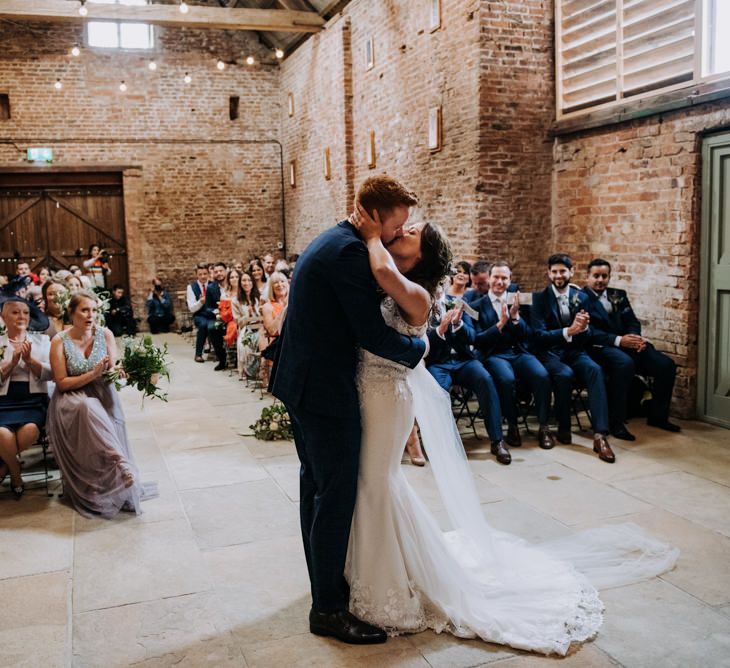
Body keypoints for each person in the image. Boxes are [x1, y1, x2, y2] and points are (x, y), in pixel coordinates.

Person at [344, 201, 679, 655]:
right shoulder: (401, 279)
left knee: (378, 481)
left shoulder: (413, 290)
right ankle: (380, 569)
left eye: (410, 233)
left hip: (388, 396)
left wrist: (367, 235)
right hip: (374, 389)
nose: (401, 232)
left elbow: (384, 277)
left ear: (420, 259)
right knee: (377, 483)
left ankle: (387, 578)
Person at [270, 175, 428, 645]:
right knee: (335, 495)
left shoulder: (333, 239)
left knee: (315, 488)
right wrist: (418, 353)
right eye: (396, 227)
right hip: (324, 392)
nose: (399, 236)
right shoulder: (347, 253)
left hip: (303, 382)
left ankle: (325, 584)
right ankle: (328, 609)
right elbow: (371, 334)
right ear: (375, 217)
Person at [47, 291, 150, 517]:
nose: (90, 315)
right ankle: (120, 463)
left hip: (103, 392)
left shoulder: (106, 334)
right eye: (84, 310)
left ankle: (116, 480)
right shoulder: (59, 341)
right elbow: (62, 383)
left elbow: (111, 369)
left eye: (94, 310)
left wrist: (130, 372)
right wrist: (93, 374)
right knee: (87, 407)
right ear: (71, 312)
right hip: (71, 399)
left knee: (100, 407)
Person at [530, 254, 616, 463]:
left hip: (576, 351)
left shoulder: (582, 297)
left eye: (563, 271)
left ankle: (600, 436)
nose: (559, 275)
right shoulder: (539, 299)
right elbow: (538, 335)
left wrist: (584, 328)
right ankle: (563, 427)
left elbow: (589, 334)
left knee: (595, 370)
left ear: (571, 272)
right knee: (565, 374)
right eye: (555, 271)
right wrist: (569, 330)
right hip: (551, 352)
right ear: (548, 273)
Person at [581, 259, 680, 435]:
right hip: (600, 347)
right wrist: (619, 340)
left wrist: (635, 338)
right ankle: (615, 422)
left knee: (666, 365)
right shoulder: (579, 298)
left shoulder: (618, 294)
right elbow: (589, 332)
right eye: (596, 276)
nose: (600, 280)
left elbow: (632, 320)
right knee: (624, 364)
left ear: (609, 277)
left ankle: (658, 416)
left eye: (604, 276)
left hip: (628, 344)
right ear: (587, 277)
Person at [465, 261, 555, 449]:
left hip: (518, 351)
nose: (500, 281)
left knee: (542, 375)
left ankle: (544, 427)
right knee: (506, 379)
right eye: (496, 277)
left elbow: (530, 334)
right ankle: (512, 425)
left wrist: (515, 319)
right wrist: (499, 325)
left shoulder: (521, 300)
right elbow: (477, 339)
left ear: (510, 280)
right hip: (494, 354)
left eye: (504, 278)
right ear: (489, 278)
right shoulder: (474, 306)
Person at [426, 299, 511, 464]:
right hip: (438, 363)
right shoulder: (423, 304)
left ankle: (497, 440)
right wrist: (440, 329)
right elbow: (421, 338)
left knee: (485, 379)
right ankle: (443, 445)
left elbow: (473, 337)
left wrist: (459, 324)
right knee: (437, 390)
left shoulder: (459, 303)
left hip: (464, 360)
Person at [0, 297, 52, 499]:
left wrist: (30, 361)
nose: (21, 316)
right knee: (2, 435)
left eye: (25, 312)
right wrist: (11, 363)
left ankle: (4, 465)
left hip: (33, 399)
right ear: (3, 317)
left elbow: (51, 373)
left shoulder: (42, 341)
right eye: (15, 312)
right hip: (4, 401)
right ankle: (15, 473)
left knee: (30, 431)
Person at [259, 271, 289, 386]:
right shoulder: (268, 307)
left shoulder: (295, 302)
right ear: (271, 287)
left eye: (282, 281)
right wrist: (284, 309)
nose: (280, 284)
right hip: (277, 343)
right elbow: (271, 330)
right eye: (276, 283)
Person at [232, 272, 261, 380]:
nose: (246, 283)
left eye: (249, 280)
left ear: (253, 282)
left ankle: (259, 369)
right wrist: (247, 315)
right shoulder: (235, 301)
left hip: (260, 325)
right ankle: (245, 370)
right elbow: (237, 321)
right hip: (246, 327)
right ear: (240, 283)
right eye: (244, 280)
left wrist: (258, 312)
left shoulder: (259, 296)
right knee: (243, 343)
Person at [203, 262, 229, 370]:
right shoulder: (210, 288)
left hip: (233, 316)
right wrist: (217, 311)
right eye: (216, 272)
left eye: (221, 271)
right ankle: (222, 359)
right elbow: (207, 308)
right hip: (218, 317)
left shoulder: (233, 283)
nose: (219, 273)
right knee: (212, 328)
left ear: (226, 271)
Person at [186, 264, 212, 363]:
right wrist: (201, 302)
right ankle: (198, 354)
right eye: (200, 274)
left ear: (209, 274)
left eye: (205, 274)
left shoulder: (213, 284)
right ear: (196, 275)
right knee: (203, 325)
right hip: (199, 315)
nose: (203, 276)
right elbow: (192, 308)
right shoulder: (191, 287)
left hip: (213, 314)